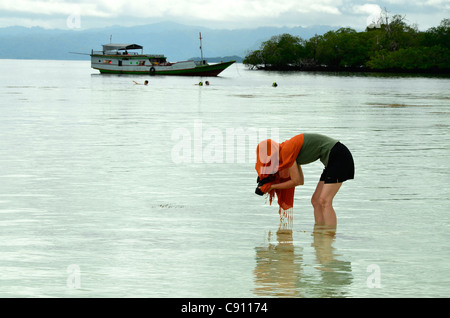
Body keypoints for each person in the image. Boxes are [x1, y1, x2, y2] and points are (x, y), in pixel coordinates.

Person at [255, 133, 354, 227]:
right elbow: (301, 180)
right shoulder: (287, 151)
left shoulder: (286, 151)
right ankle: (319, 234)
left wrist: (272, 186)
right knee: (315, 201)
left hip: (338, 156)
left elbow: (296, 181)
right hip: (332, 159)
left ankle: (330, 235)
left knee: (324, 201)